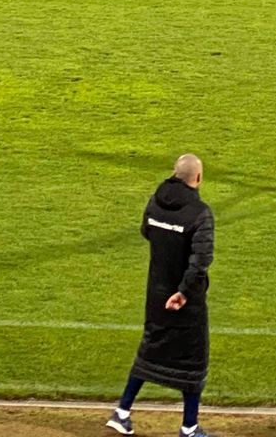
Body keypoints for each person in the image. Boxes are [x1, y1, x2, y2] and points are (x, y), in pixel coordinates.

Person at [107, 153, 216, 437]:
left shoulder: (155, 201)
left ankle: (122, 412)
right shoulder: (200, 213)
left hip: (156, 292)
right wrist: (182, 292)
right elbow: (201, 261)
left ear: (174, 173)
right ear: (199, 178)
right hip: (184, 300)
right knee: (193, 361)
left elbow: (147, 231)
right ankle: (189, 428)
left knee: (150, 350)